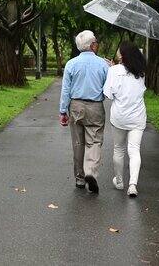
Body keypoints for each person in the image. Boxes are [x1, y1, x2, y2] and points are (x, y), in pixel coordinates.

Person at [59, 30, 109, 194]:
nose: (97, 44)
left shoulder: (71, 64)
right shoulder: (103, 64)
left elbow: (66, 90)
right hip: (95, 106)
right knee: (94, 141)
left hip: (76, 106)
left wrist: (62, 111)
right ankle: (90, 172)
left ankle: (80, 179)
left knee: (78, 143)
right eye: (96, 41)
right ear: (92, 45)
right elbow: (109, 88)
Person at [103, 41, 147, 197]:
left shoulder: (114, 71)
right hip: (137, 117)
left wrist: (112, 69)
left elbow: (108, 93)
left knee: (119, 149)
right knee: (134, 150)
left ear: (122, 54)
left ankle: (120, 181)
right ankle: (133, 185)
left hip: (119, 117)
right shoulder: (141, 72)